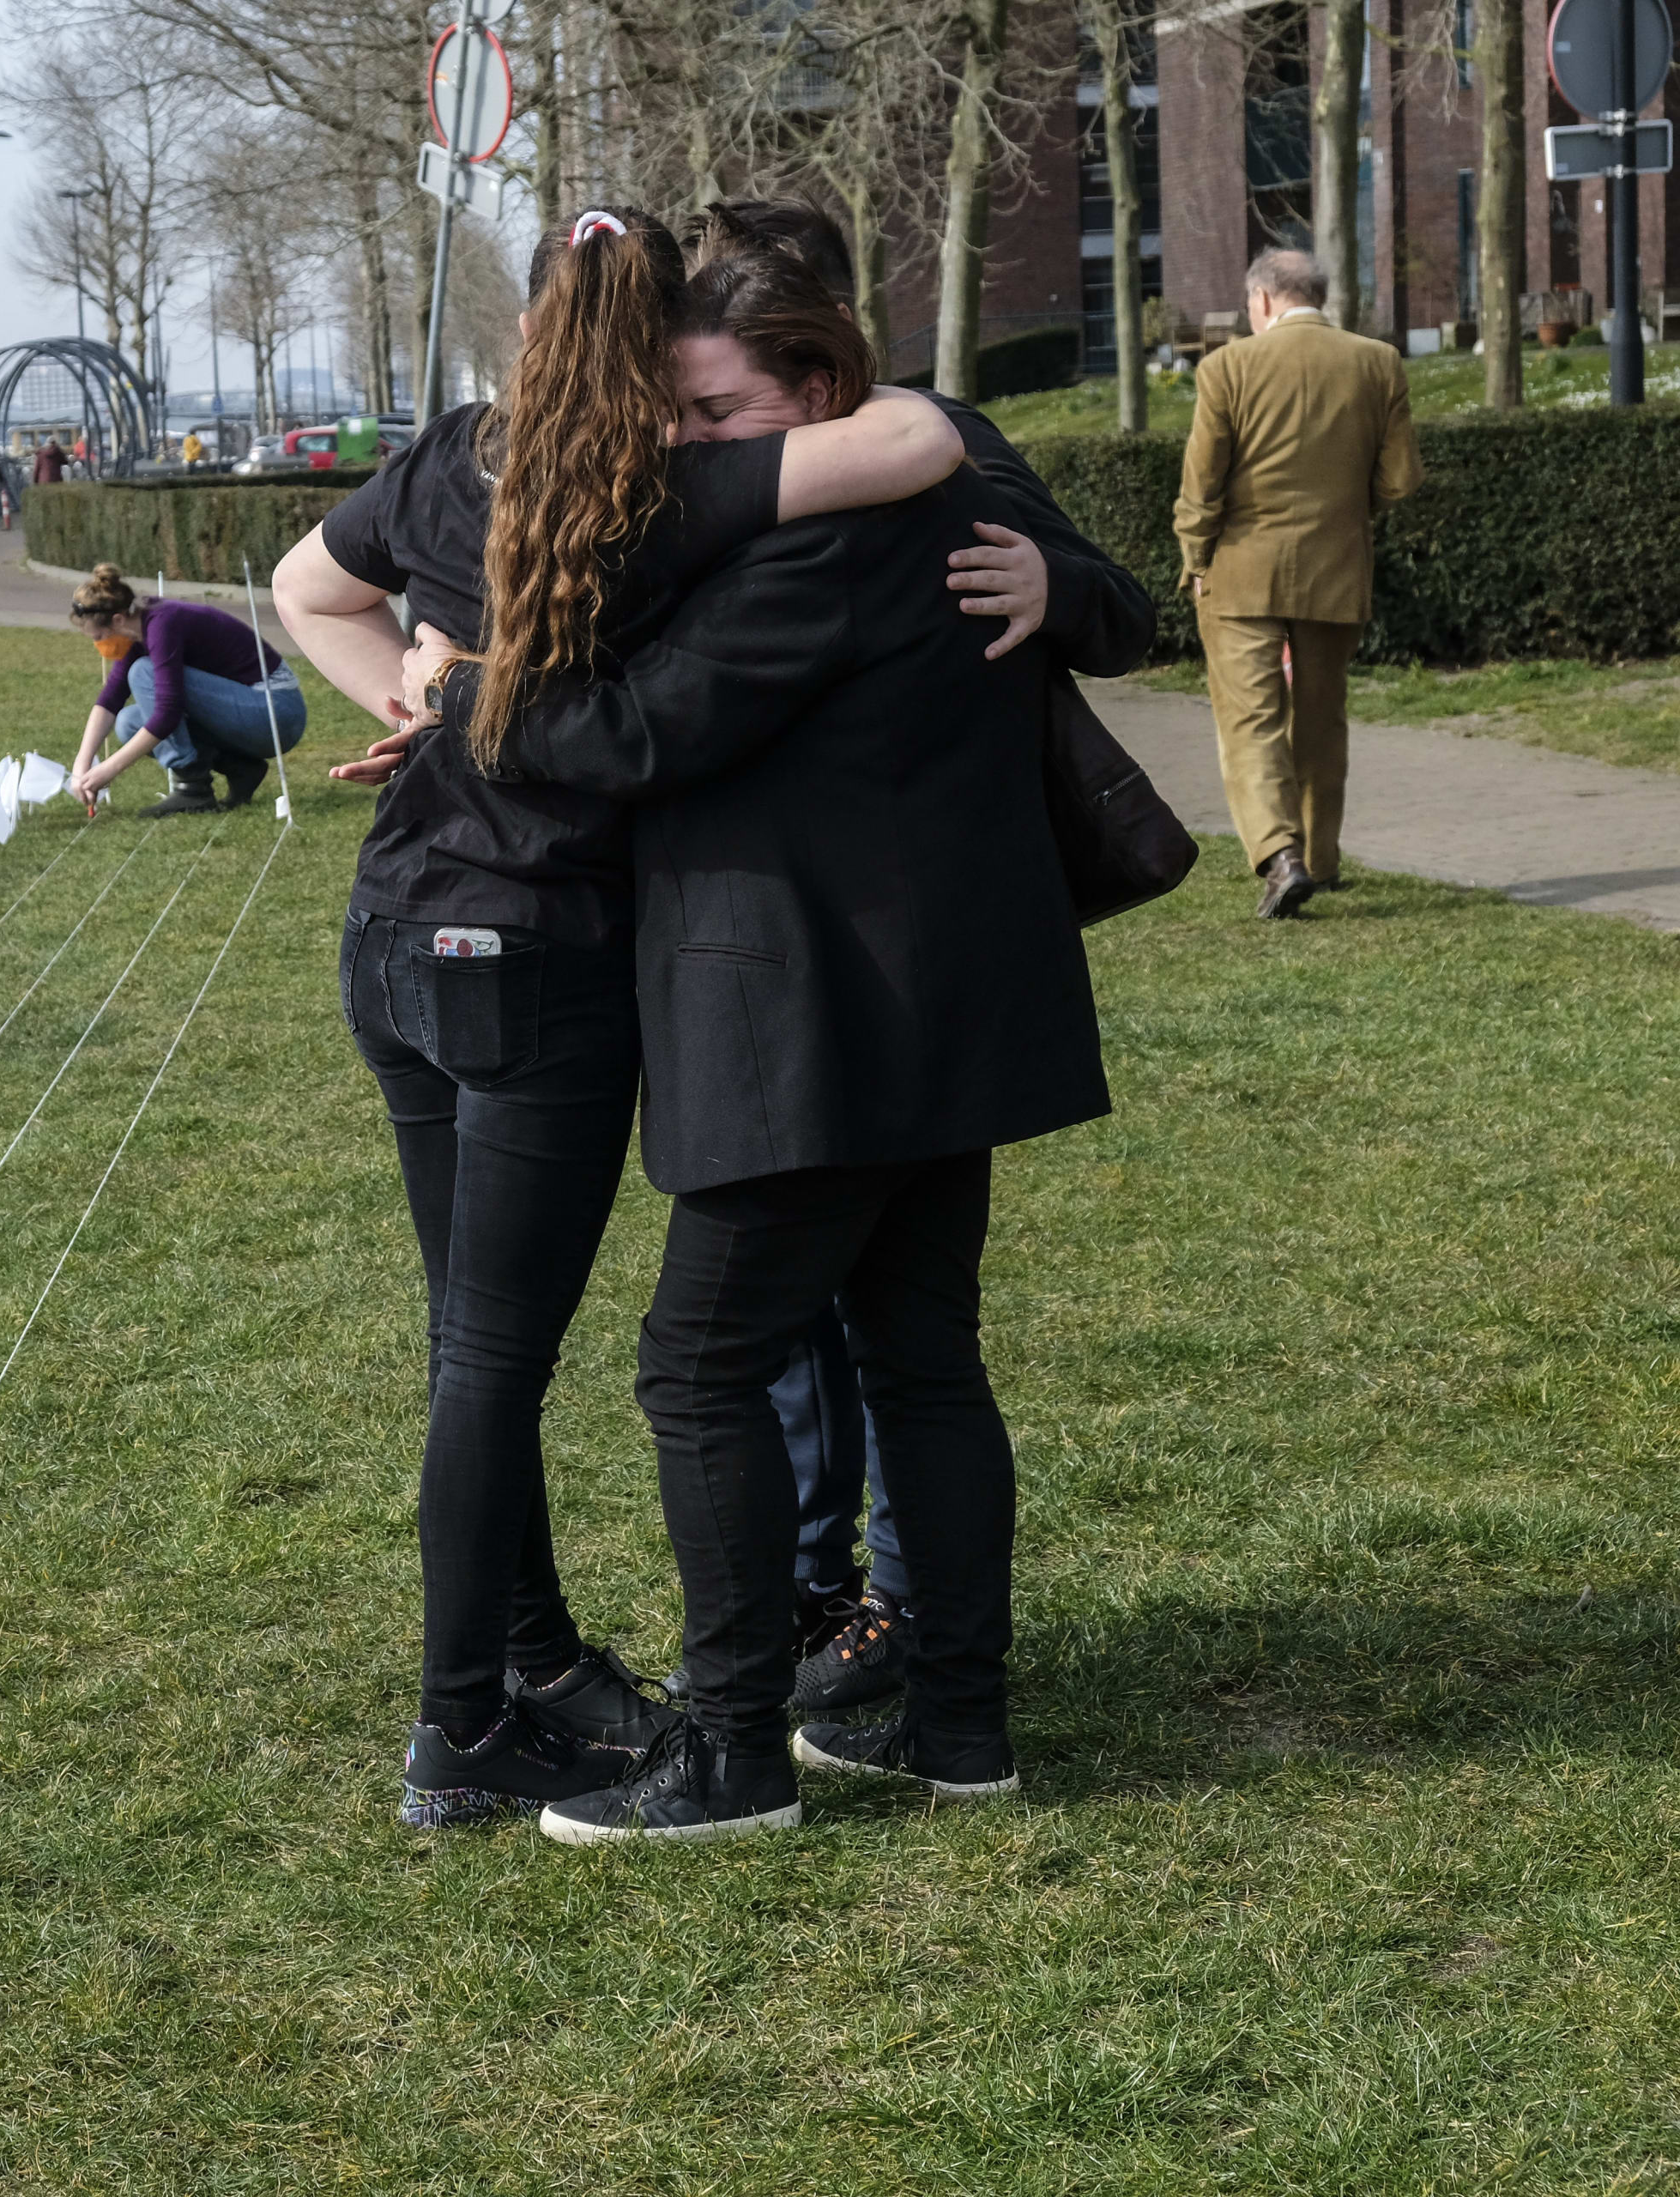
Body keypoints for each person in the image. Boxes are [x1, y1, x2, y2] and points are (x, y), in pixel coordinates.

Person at [275, 209, 970, 1831]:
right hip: (532, 960)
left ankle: (526, 1663)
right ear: (660, 343)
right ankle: (463, 1729)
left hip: (390, 937)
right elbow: (920, 437)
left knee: (472, 1354)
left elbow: (312, 583)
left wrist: (416, 694)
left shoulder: (456, 454)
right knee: (491, 1365)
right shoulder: (677, 493)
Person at [402, 249, 1109, 1841]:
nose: (693, 447)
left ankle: (727, 1755)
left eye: (716, 412)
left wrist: (456, 692)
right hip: (940, 1020)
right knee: (921, 1360)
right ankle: (957, 1726)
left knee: (699, 1369)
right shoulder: (927, 507)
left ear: (820, 393)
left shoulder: (821, 548)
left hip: (809, 1024)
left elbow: (635, 735)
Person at [688, 198, 1157, 1721]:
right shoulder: (714, 464)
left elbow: (1122, 607)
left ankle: (882, 1611)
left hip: (882, 967)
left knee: (845, 1333)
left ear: (826, 358)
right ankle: (871, 1615)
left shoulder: (932, 443)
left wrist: (1052, 589)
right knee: (849, 1333)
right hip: (827, 966)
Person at [1172, 248, 1423, 918]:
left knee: (1249, 720)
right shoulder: (1377, 362)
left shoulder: (1226, 368)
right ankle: (1322, 855)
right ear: (1317, 294)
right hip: (1336, 567)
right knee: (1321, 716)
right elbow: (1399, 480)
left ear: (1261, 301)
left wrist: (1195, 558)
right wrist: (1345, 511)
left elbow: (1201, 485)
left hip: (1240, 571)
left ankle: (1281, 857)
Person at [67, 566, 307, 815]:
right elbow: (110, 700)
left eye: (100, 636)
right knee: (129, 722)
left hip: (277, 714)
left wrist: (109, 770)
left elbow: (168, 714)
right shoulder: (137, 630)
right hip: (253, 712)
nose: (100, 645)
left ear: (117, 620)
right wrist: (81, 766)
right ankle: (240, 768)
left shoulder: (163, 623)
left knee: (142, 673)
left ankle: (193, 790)